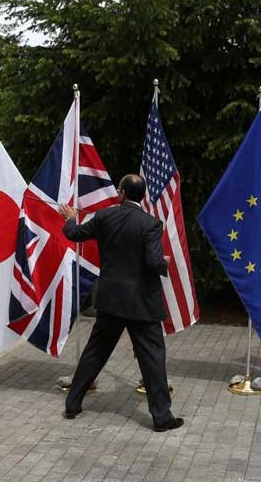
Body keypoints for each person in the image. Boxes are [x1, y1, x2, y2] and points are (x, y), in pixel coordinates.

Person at [58, 173, 184, 432]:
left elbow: (75, 234)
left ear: (123, 193)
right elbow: (152, 261)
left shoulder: (105, 216)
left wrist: (70, 218)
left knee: (95, 353)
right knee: (152, 360)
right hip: (142, 305)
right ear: (142, 196)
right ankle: (162, 417)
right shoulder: (150, 224)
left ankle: (73, 404)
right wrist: (165, 263)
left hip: (111, 301)